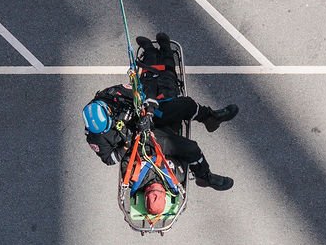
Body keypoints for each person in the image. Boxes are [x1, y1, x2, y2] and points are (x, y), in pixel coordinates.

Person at [82, 33, 239, 192]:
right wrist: (128, 144)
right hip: (143, 140)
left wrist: (149, 112)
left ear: (107, 109)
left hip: (148, 115)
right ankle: (205, 176)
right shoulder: (95, 137)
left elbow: (143, 91)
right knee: (190, 148)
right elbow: (109, 158)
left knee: (185, 104)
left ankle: (210, 118)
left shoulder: (112, 95)